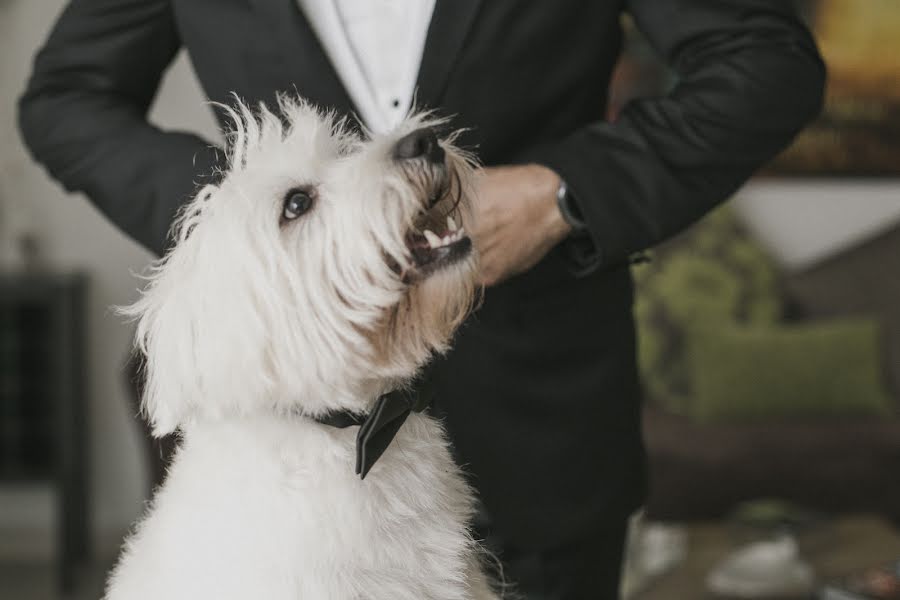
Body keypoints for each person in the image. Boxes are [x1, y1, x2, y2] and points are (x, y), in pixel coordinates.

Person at [19, 1, 825, 597]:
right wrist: (254, 225)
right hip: (286, 485)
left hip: (544, 426)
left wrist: (563, 193)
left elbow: (766, 60)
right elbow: (67, 100)